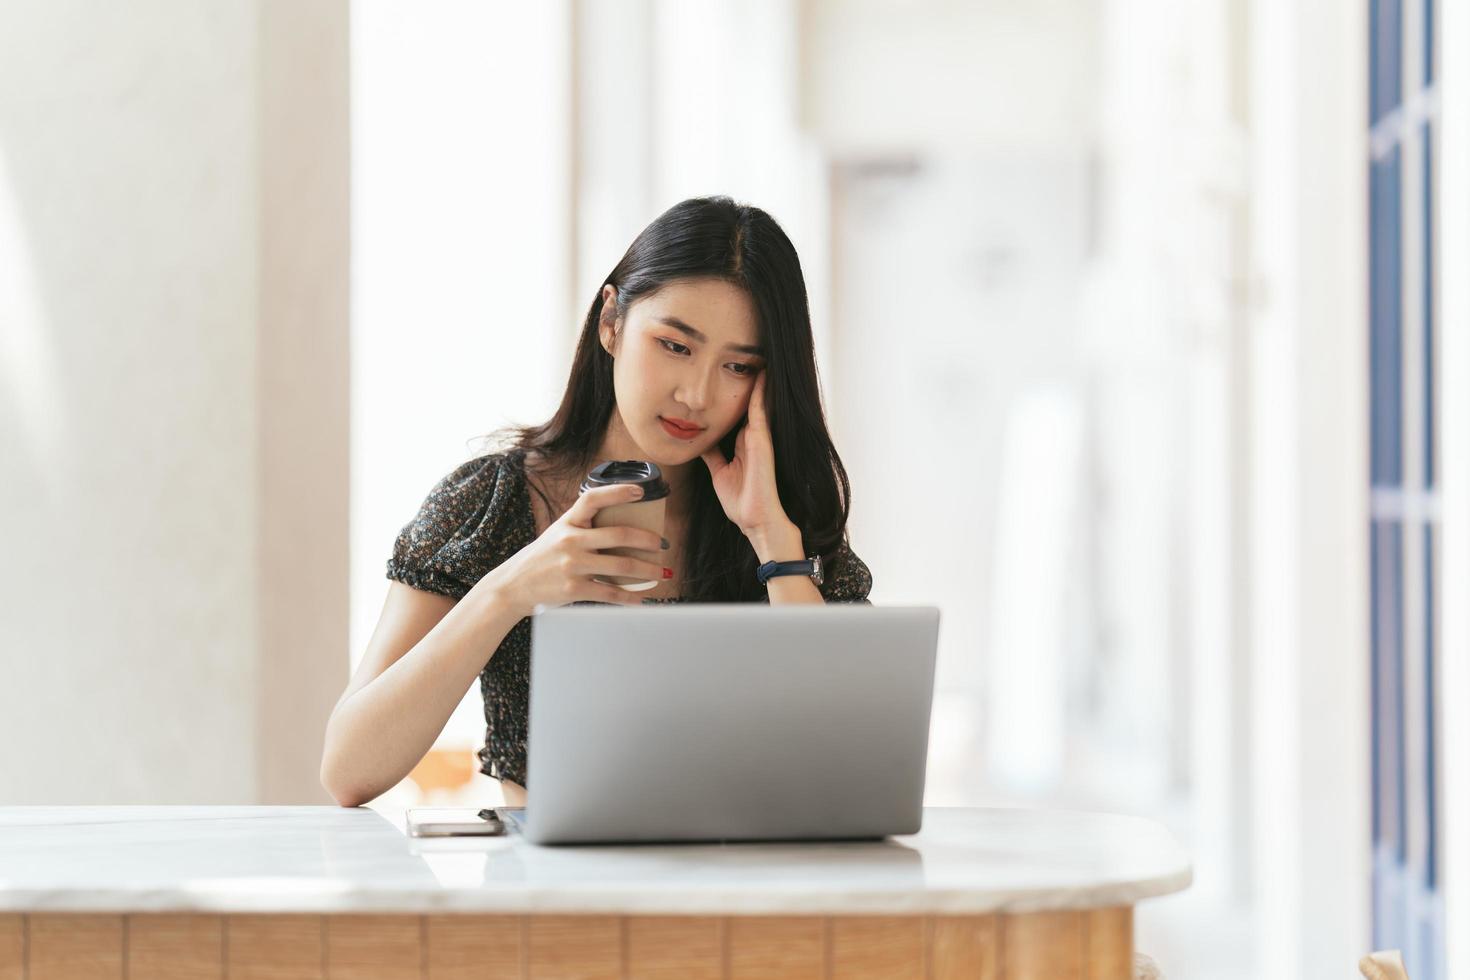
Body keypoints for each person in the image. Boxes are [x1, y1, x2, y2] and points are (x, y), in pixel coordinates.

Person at [320, 196, 873, 809]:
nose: (696, 395)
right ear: (612, 322)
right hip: (546, 895)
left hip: (735, 892)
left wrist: (773, 543)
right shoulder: (492, 502)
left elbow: (847, 768)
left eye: (738, 366)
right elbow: (350, 770)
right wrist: (509, 591)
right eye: (675, 346)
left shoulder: (786, 518)